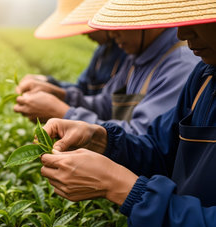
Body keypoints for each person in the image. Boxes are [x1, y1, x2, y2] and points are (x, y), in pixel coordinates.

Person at [39, 0, 216, 227]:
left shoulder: (183, 62)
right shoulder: (205, 74)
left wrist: (122, 187)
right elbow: (163, 148)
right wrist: (101, 139)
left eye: (202, 18)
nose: (182, 33)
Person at [14, 0, 199, 135]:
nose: (111, 34)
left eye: (118, 23)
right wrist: (60, 95)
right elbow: (104, 104)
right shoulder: (135, 58)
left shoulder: (179, 64)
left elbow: (143, 138)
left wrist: (64, 113)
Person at [16, 0, 126, 114]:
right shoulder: (102, 52)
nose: (84, 33)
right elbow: (82, 89)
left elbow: (110, 110)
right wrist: (48, 82)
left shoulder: (127, 54)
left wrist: (64, 113)